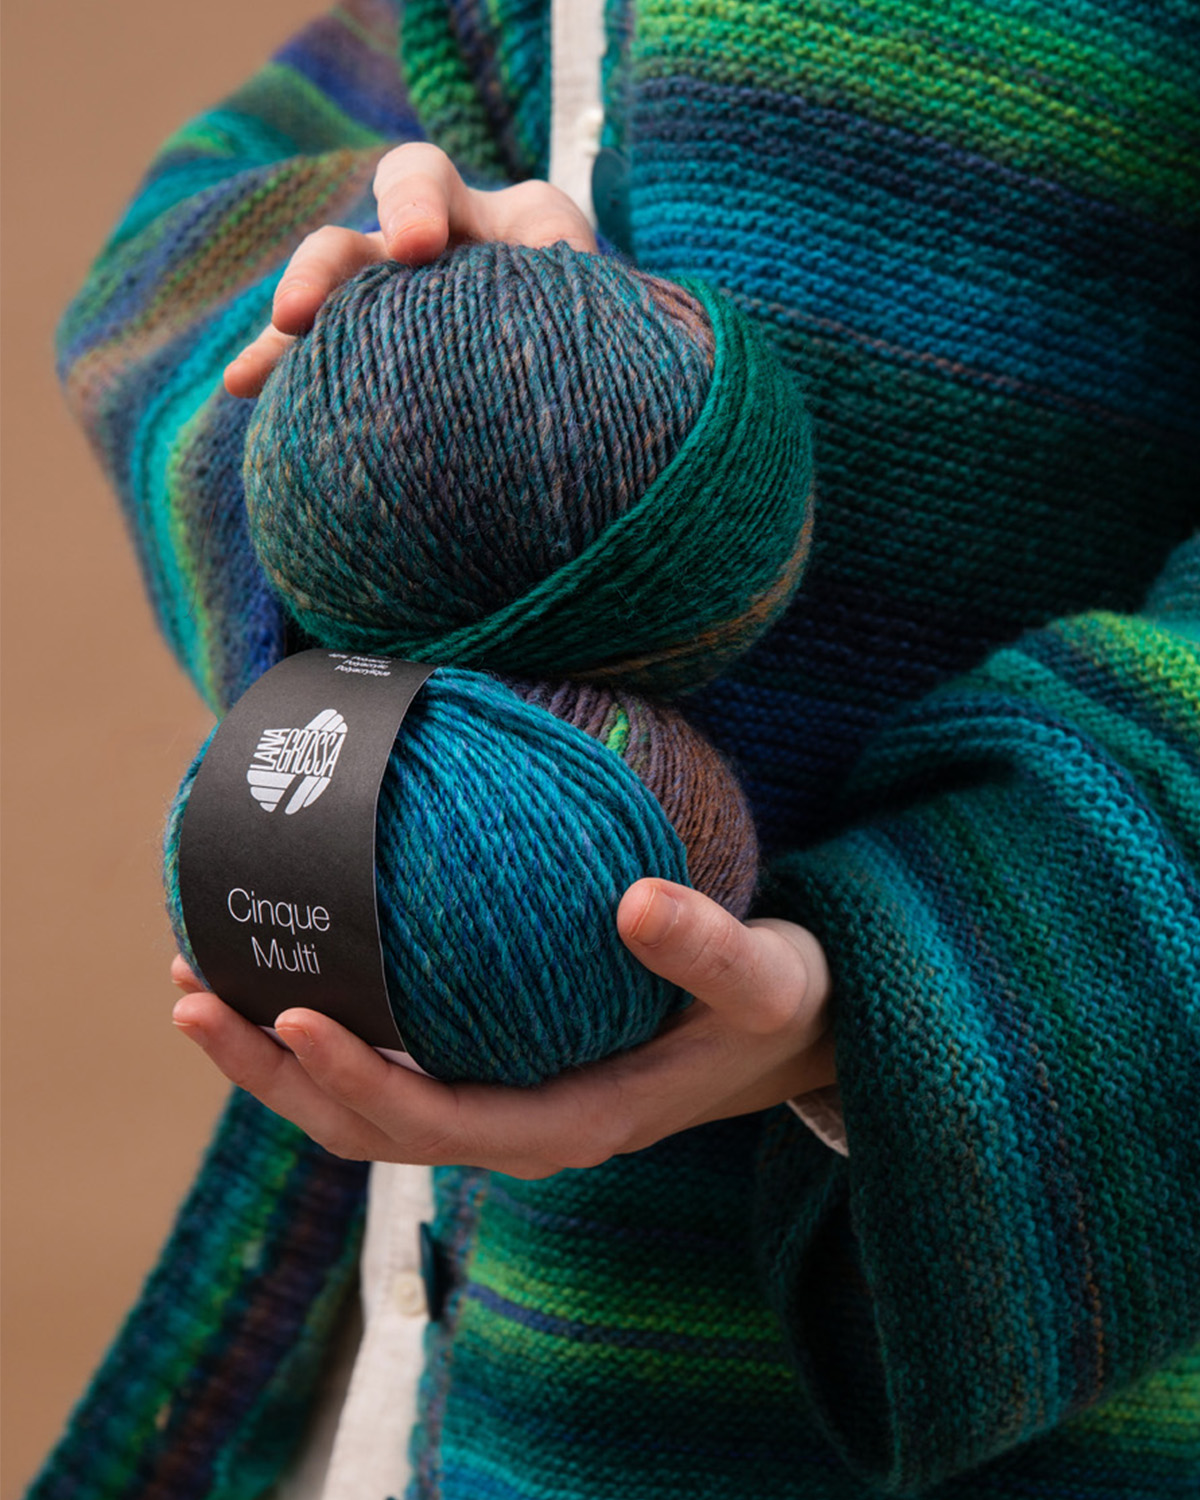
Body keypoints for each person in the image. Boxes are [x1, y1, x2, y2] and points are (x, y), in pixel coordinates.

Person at [33, 1, 1200, 1497]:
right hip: (406, 1347)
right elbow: (192, 233)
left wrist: (916, 988)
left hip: (915, 1331)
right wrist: (408, 338)